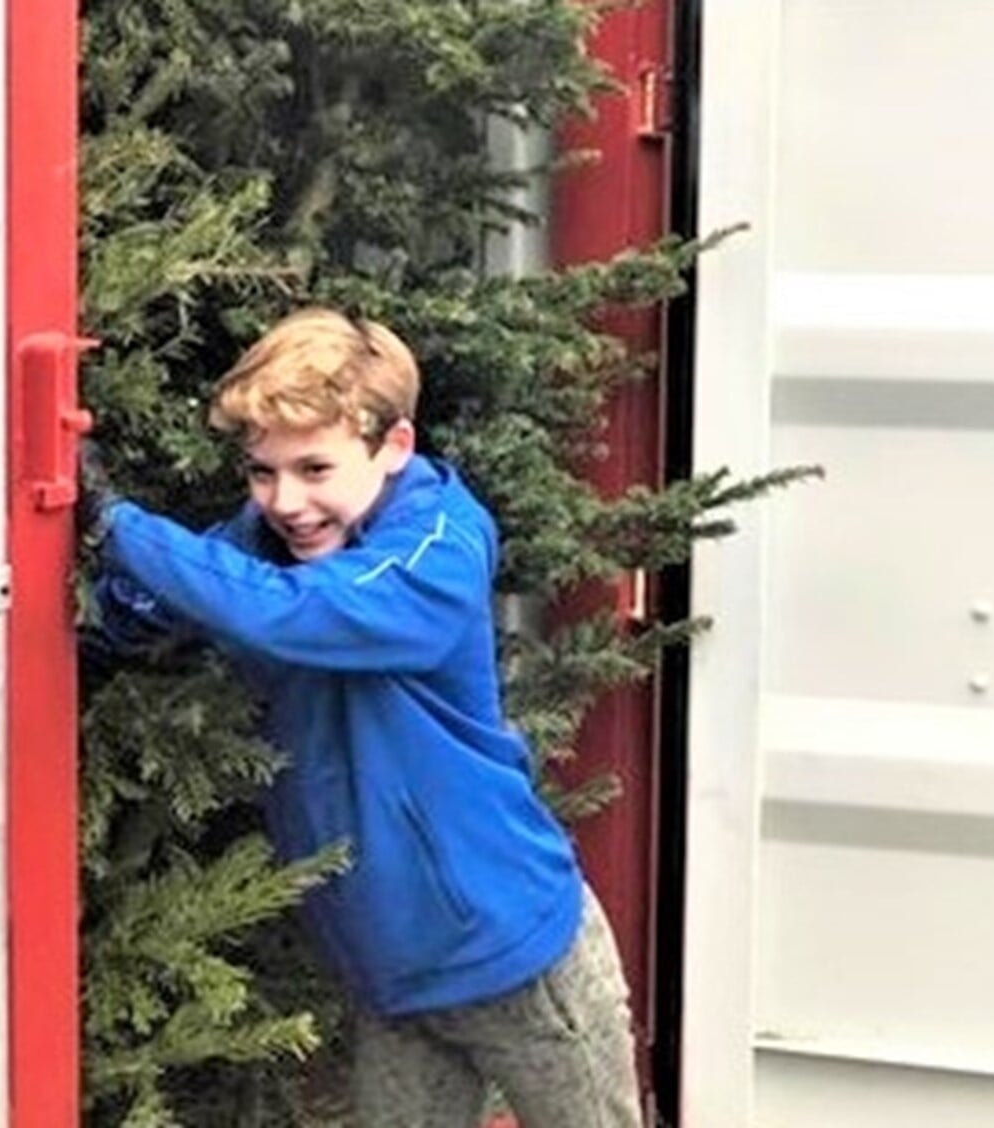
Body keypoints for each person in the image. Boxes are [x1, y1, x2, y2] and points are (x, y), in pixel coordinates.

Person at [82, 308, 643, 1128]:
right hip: (390, 967)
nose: (285, 501)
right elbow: (195, 586)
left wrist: (115, 525)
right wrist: (112, 620)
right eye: (261, 472)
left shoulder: (437, 548)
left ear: (394, 447)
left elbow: (294, 615)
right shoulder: (269, 538)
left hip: (515, 956)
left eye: (314, 468)